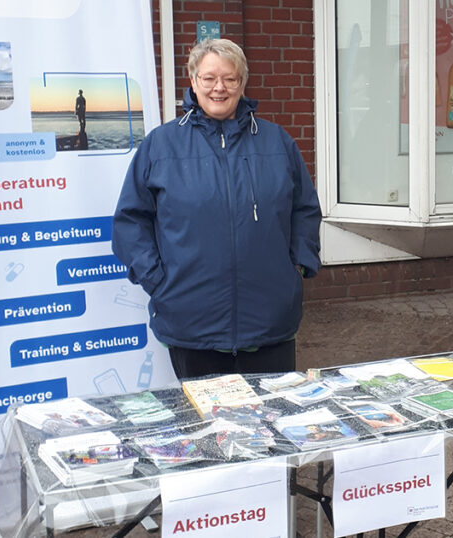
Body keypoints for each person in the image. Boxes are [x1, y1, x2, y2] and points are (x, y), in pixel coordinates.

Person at [112, 39, 321, 380]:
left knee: (270, 425)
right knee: (205, 428)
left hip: (269, 322)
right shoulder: (161, 146)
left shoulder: (277, 142)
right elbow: (130, 221)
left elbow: (305, 209)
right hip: (192, 323)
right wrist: (159, 281)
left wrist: (297, 267)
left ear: (242, 82)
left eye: (230, 78)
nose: (219, 88)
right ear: (193, 82)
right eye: (209, 78)